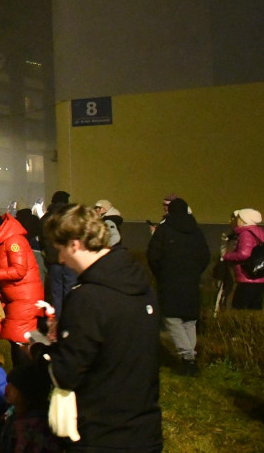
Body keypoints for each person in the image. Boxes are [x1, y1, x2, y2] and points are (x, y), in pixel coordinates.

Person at [35, 203, 162, 451]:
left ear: (74, 244)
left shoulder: (87, 298)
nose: (60, 259)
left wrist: (39, 351)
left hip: (102, 434)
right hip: (145, 430)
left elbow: (66, 373)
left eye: (60, 250)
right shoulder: (141, 287)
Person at [147, 197, 210, 375]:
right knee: (189, 320)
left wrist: (161, 273)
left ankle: (187, 357)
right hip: (191, 281)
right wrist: (194, 271)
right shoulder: (196, 231)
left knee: (172, 318)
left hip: (170, 280)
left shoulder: (164, 230)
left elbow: (153, 255)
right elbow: (205, 256)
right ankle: (190, 356)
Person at [0, 203, 44, 355]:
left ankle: (26, 367)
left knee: (17, 340)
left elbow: (19, 270)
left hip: (25, 299)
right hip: (13, 298)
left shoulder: (14, 241)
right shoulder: (0, 242)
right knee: (10, 338)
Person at [0, 363, 61, 453]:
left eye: (13, 385)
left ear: (25, 391)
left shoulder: (37, 426)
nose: (7, 388)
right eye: (8, 383)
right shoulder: (11, 416)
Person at [220, 208, 264, 310]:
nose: (237, 220)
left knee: (239, 309)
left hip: (247, 277)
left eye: (239, 218)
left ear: (244, 220)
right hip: (260, 276)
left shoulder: (245, 233)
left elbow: (244, 254)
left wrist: (226, 256)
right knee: (254, 309)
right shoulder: (259, 232)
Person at [40, 190, 77, 318]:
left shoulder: (45, 218)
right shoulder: (70, 218)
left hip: (52, 261)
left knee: (56, 294)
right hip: (69, 260)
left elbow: (42, 240)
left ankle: (57, 321)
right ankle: (69, 321)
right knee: (70, 293)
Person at [15, 208, 46, 287]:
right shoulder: (35, 218)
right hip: (35, 247)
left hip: (20, 249)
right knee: (38, 271)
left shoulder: (16, 220)